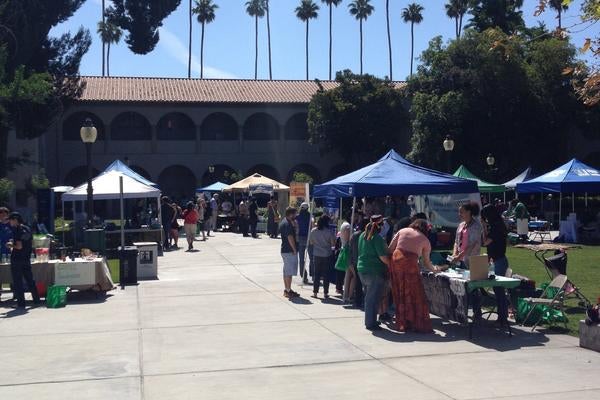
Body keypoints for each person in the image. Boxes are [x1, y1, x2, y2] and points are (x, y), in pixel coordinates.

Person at [389, 219, 441, 333]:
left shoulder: (402, 231)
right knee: (416, 295)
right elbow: (427, 263)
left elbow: (390, 249)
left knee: (400, 293)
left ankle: (402, 322)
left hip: (396, 262)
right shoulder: (425, 240)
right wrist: (435, 270)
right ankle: (415, 322)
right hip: (410, 266)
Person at [451, 201, 484, 319]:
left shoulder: (476, 226)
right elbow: (456, 241)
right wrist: (455, 253)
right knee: (459, 287)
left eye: (462, 212)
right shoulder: (461, 225)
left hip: (471, 261)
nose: (459, 214)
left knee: (473, 288)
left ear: (469, 212)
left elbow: (472, 245)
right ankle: (461, 311)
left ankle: (477, 313)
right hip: (460, 260)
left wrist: (459, 256)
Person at [357, 215, 390, 331]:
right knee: (373, 299)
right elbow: (383, 257)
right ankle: (370, 323)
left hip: (362, 270)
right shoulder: (377, 238)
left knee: (369, 297)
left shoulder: (362, 235)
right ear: (380, 227)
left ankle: (370, 321)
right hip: (374, 271)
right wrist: (391, 264)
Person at [481, 204, 510, 324]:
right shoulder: (496, 225)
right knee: (497, 289)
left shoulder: (497, 227)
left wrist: (483, 227)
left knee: (499, 290)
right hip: (497, 260)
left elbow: (485, 242)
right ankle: (501, 316)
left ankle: (502, 317)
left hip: (499, 261)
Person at [6, 212, 40, 308]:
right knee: (30, 279)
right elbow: (27, 242)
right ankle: (36, 299)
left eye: (11, 220)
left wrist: (10, 245)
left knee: (18, 281)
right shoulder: (27, 228)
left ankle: (21, 303)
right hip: (26, 257)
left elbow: (19, 246)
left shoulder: (17, 229)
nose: (10, 222)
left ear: (15, 220)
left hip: (17, 258)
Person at [309, 215, 336, 299]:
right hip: (326, 254)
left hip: (316, 254)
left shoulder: (313, 231)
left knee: (316, 274)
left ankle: (315, 292)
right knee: (326, 275)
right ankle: (325, 293)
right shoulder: (329, 232)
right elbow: (333, 244)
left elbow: (311, 242)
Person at [279, 207, 300, 299]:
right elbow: (290, 237)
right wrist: (294, 249)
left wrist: (295, 226)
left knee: (287, 271)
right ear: (291, 214)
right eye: (295, 214)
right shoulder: (287, 224)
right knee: (288, 272)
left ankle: (288, 289)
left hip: (285, 250)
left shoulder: (285, 222)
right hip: (289, 250)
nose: (296, 216)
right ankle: (287, 290)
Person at [348, 219, 366, 308]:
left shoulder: (354, 235)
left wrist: (350, 261)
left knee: (358, 282)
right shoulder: (366, 236)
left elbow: (350, 249)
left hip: (355, 261)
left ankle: (357, 300)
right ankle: (361, 300)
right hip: (363, 261)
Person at [296, 202, 311, 283]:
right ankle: (313, 274)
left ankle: (303, 275)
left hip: (300, 238)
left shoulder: (297, 217)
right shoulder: (310, 216)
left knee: (301, 259)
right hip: (309, 238)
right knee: (311, 258)